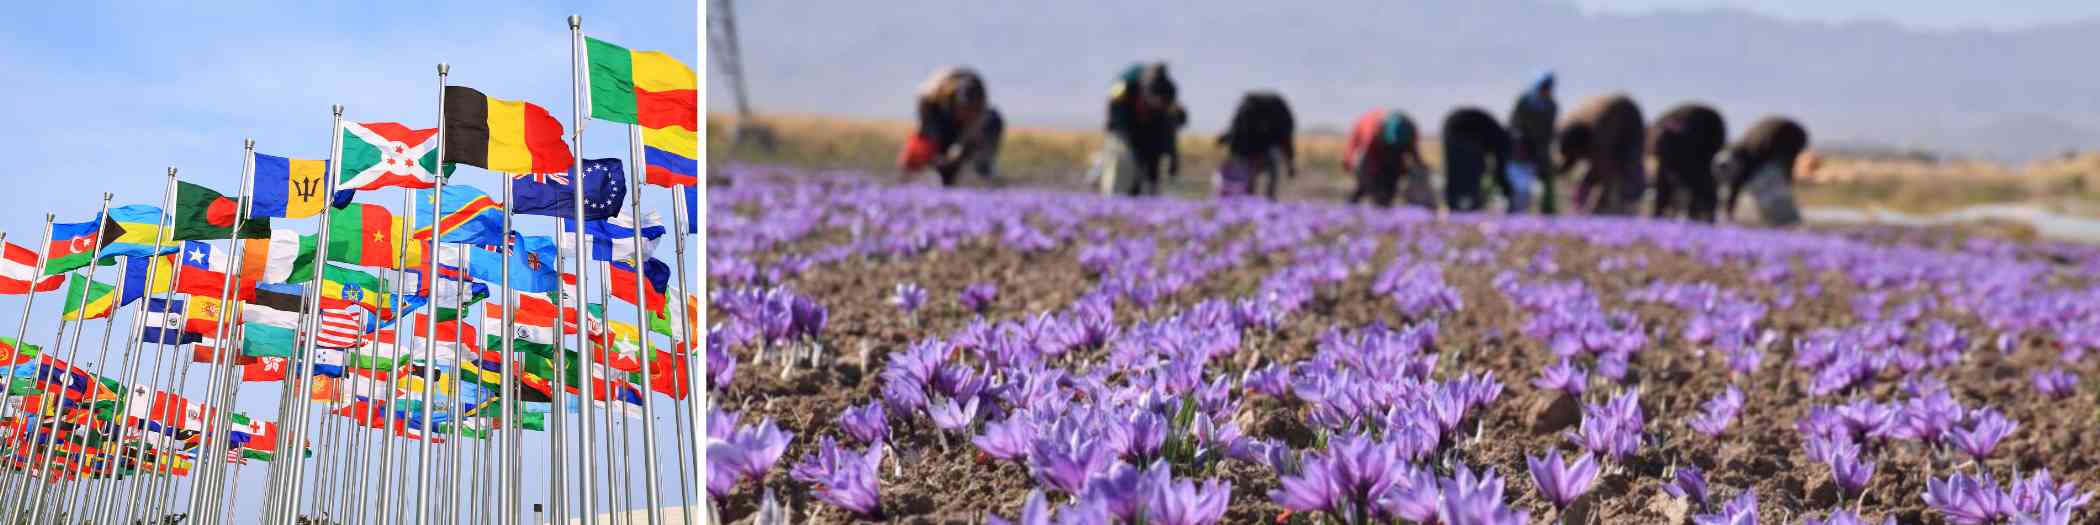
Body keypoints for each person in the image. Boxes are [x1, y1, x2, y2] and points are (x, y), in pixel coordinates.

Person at [897, 67, 1005, 187]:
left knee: (990, 125)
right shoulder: (933, 99)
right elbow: (927, 130)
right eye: (964, 109)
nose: (966, 114)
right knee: (922, 154)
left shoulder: (983, 112)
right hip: (938, 123)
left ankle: (981, 175)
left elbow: (969, 138)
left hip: (965, 133)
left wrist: (960, 152)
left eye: (971, 110)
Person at [1091, 62, 1187, 196]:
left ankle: (1146, 197)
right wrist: (1128, 142)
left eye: (1161, 101)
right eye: (1154, 97)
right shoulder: (1125, 87)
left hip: (1148, 133)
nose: (1157, 102)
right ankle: (1112, 195)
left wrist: (1173, 159)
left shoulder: (1168, 93)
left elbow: (1170, 132)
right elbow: (1116, 116)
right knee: (1121, 162)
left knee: (1150, 168)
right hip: (1123, 130)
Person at [1559, 94, 1647, 215]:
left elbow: (1601, 168)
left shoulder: (1601, 139)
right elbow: (1595, 168)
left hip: (1628, 144)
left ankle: (1621, 211)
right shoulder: (1588, 131)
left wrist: (1587, 187)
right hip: (1620, 135)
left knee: (1618, 189)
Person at [1719, 116, 1810, 226]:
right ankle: (1787, 221)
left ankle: (1785, 221)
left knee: (1769, 187)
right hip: (1787, 137)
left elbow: (1736, 183)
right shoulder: (1747, 151)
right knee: (1771, 186)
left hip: (1778, 140)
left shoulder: (1746, 158)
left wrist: (1729, 210)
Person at [1647, 103, 1728, 221]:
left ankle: (1694, 213)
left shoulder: (1660, 132)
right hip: (1712, 129)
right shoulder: (1664, 127)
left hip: (1701, 132)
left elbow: (1664, 174)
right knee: (1701, 176)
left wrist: (1658, 210)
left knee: (1690, 176)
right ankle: (1701, 213)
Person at [1215, 91, 1297, 200]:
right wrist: (1290, 164)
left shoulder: (1248, 114)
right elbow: (1286, 141)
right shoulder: (1274, 114)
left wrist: (1290, 163)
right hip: (1256, 149)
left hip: (1258, 149)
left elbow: (1234, 134)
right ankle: (1265, 200)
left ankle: (1252, 200)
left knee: (1251, 174)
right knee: (1259, 174)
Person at [1344, 109, 1432, 208]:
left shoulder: (1409, 130)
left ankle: (1385, 203)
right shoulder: (1370, 129)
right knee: (1368, 182)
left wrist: (1418, 170)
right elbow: (1354, 147)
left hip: (1395, 151)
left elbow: (1414, 154)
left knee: (1392, 180)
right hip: (1374, 154)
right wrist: (1348, 160)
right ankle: (1355, 203)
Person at [1440, 107, 1514, 212]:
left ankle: (1458, 204)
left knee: (1459, 173)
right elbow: (1500, 168)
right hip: (1462, 131)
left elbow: (1493, 164)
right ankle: (1463, 206)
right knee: (1467, 173)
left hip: (1455, 128)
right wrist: (1505, 187)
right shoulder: (1503, 142)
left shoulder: (1497, 134)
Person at [1506, 71, 1558, 213]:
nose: (1546, 91)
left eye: (1549, 88)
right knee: (1519, 184)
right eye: (1544, 87)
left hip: (1540, 148)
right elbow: (1514, 123)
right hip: (1521, 146)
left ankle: (1548, 211)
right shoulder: (1524, 101)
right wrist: (1519, 140)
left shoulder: (1551, 105)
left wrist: (1548, 146)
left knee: (1547, 179)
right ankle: (1515, 210)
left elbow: (1550, 128)